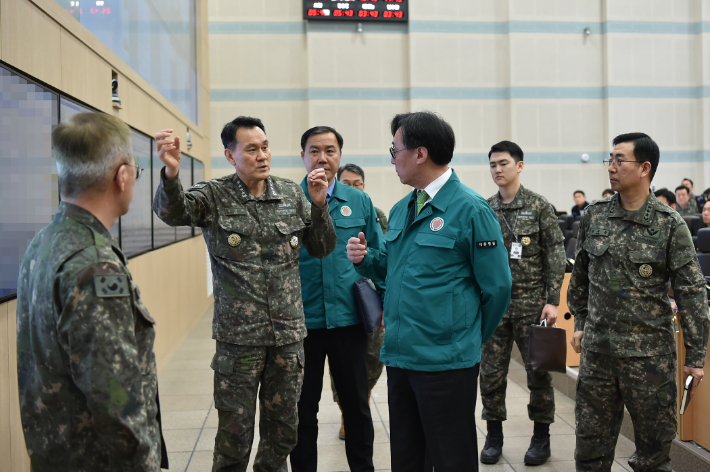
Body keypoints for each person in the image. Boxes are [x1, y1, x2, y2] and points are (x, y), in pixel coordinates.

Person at [152, 117, 337, 472]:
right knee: (234, 437)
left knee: (282, 432)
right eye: (251, 149)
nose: (262, 155)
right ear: (230, 154)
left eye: (265, 146)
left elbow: (323, 248)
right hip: (239, 342)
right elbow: (172, 212)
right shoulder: (214, 195)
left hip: (287, 339)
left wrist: (318, 206)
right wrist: (171, 176)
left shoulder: (291, 193)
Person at [346, 111, 512, 472]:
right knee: (406, 457)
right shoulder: (403, 208)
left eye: (396, 149)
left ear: (420, 154)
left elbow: (498, 287)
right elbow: (396, 266)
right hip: (402, 356)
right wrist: (367, 260)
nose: (392, 159)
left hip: (446, 362)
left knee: (452, 457)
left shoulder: (470, 209)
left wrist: (466, 338)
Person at [16, 113, 168, 471]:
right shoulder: (95, 267)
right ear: (122, 176)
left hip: (58, 452)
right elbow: (115, 398)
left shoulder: (44, 242)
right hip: (100, 460)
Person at [568, 132, 709, 472]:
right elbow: (580, 279)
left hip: (650, 361)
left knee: (653, 458)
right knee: (589, 454)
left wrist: (695, 357)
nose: (611, 167)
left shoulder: (668, 224)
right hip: (598, 357)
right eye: (610, 159)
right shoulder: (594, 216)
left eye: (620, 160)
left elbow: (691, 292)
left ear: (645, 168)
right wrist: (582, 324)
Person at [290, 127, 382, 472]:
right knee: (303, 408)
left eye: (330, 150)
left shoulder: (359, 201)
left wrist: (383, 301)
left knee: (356, 406)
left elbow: (378, 254)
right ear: (302, 156)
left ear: (340, 156)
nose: (322, 158)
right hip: (301, 322)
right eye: (314, 151)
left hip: (349, 320)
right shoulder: (288, 200)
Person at [480, 141, 566, 466]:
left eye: (503, 163)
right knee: (490, 374)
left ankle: (541, 437)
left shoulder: (539, 206)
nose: (497, 170)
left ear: (519, 165)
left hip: (533, 307)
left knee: (539, 374)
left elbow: (555, 256)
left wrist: (553, 301)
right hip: (494, 307)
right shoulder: (485, 208)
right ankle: (494, 436)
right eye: (492, 164)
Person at [330, 163, 388, 442]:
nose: (353, 188)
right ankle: (346, 411)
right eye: (347, 184)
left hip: (370, 299)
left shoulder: (377, 216)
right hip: (341, 301)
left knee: (373, 357)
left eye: (358, 184)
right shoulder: (328, 210)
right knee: (342, 364)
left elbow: (386, 254)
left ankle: (361, 399)